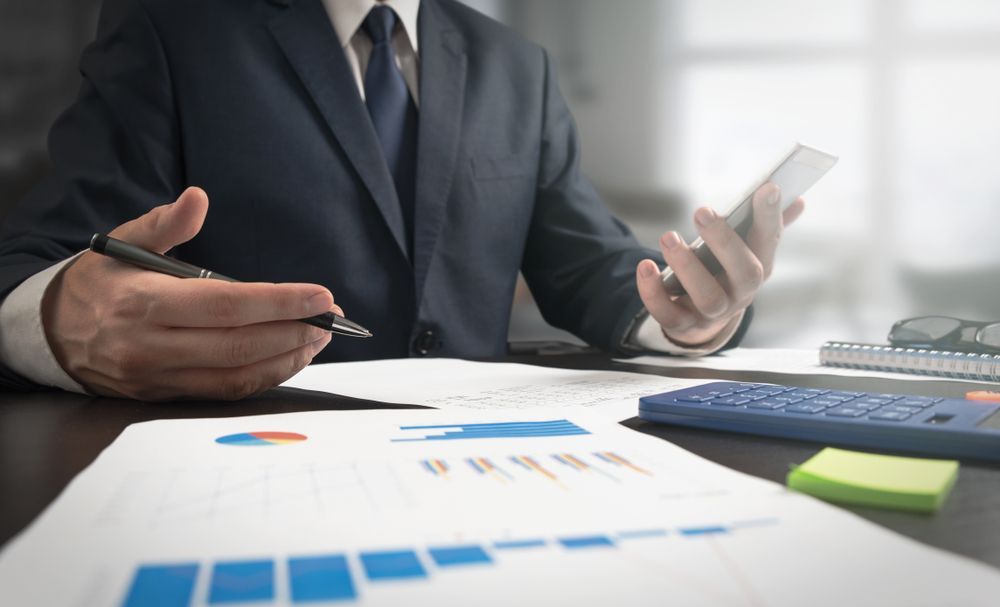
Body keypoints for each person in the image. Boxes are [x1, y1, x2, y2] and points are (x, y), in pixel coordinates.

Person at [0, 0, 804, 401]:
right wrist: (59, 320)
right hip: (251, 458)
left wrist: (681, 310)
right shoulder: (174, 25)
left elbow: (585, 261)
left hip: (482, 465)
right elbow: (40, 258)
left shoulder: (516, 65)